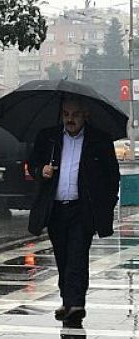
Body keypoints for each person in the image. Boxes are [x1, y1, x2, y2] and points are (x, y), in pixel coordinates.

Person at [28, 95, 120, 323]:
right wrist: (42, 171)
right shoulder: (48, 138)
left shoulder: (99, 140)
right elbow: (32, 165)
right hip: (56, 209)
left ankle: (76, 303)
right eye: (66, 114)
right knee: (63, 257)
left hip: (82, 210)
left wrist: (105, 205)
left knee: (78, 256)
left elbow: (111, 176)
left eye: (75, 114)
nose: (70, 119)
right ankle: (68, 300)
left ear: (85, 115)